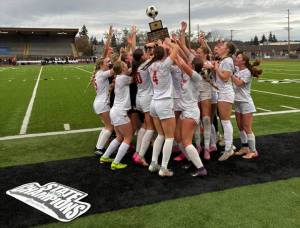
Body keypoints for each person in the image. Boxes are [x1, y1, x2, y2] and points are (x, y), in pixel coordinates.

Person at [143, 41, 178, 177]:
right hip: (164, 103)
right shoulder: (164, 65)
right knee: (169, 137)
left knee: (160, 135)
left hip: (154, 102)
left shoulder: (151, 65)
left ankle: (153, 163)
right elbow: (176, 49)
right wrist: (169, 43)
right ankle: (163, 168)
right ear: (164, 54)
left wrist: (161, 46)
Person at [173, 54, 208, 177]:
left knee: (187, 142)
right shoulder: (188, 75)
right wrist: (172, 51)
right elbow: (180, 62)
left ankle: (201, 168)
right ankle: (191, 160)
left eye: (190, 63)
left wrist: (173, 49)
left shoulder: (196, 76)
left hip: (191, 112)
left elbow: (182, 63)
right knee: (178, 138)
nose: (187, 63)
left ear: (192, 66)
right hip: (185, 111)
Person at [204, 41, 236, 161]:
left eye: (222, 46)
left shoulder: (227, 61)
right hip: (221, 92)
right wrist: (213, 68)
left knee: (226, 121)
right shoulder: (223, 60)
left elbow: (225, 77)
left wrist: (215, 67)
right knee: (224, 121)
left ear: (227, 50)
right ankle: (229, 147)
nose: (220, 47)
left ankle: (229, 149)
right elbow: (218, 76)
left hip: (226, 93)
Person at [100, 61, 133, 170]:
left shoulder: (119, 77)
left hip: (115, 111)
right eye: (125, 65)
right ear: (123, 68)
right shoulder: (123, 78)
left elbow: (128, 72)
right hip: (120, 112)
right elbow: (133, 78)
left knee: (119, 137)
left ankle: (105, 157)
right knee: (128, 137)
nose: (127, 66)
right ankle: (116, 162)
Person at [232, 52, 262, 159]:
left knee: (247, 127)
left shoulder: (247, 72)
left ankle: (253, 151)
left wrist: (230, 74)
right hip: (237, 101)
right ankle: (245, 147)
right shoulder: (236, 69)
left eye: (238, 57)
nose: (236, 58)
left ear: (243, 61)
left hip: (246, 102)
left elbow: (239, 83)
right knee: (240, 126)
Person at [132, 48, 155, 166]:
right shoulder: (144, 66)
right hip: (146, 98)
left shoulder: (135, 66)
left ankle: (137, 152)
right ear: (141, 57)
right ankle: (141, 156)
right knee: (150, 128)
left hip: (139, 97)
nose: (147, 54)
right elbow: (155, 57)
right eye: (145, 53)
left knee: (144, 126)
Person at [93, 58, 114, 155]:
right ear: (101, 65)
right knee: (110, 127)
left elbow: (107, 87)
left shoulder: (98, 73)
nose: (108, 64)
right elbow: (115, 70)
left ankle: (98, 146)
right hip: (102, 103)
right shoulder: (102, 73)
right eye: (106, 63)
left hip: (98, 102)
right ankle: (100, 149)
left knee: (106, 126)